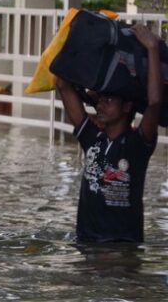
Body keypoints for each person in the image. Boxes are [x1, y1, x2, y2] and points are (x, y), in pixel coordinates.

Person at [55, 24, 162, 243]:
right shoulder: (92, 138)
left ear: (126, 107)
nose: (101, 105)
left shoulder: (138, 144)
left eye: (109, 100)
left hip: (123, 247)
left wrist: (152, 48)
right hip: (87, 242)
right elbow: (62, 84)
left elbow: (155, 102)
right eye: (100, 100)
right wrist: (80, 38)